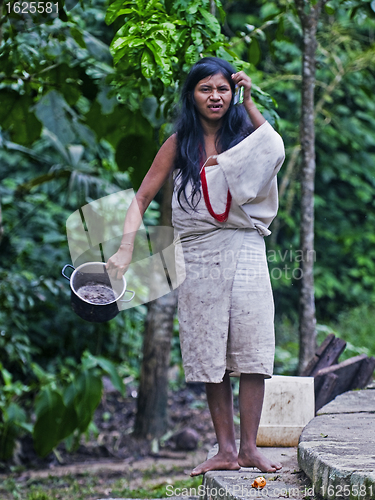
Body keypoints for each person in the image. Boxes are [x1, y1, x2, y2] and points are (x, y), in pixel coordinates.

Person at [106, 57, 285, 476]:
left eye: (222, 89)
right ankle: (225, 450)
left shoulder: (247, 136)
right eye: (206, 89)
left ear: (232, 93)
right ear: (192, 96)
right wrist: (126, 249)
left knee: (253, 348)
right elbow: (140, 199)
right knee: (210, 353)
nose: (215, 96)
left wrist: (250, 100)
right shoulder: (177, 143)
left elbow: (274, 148)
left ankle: (249, 448)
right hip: (198, 254)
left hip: (245, 248)